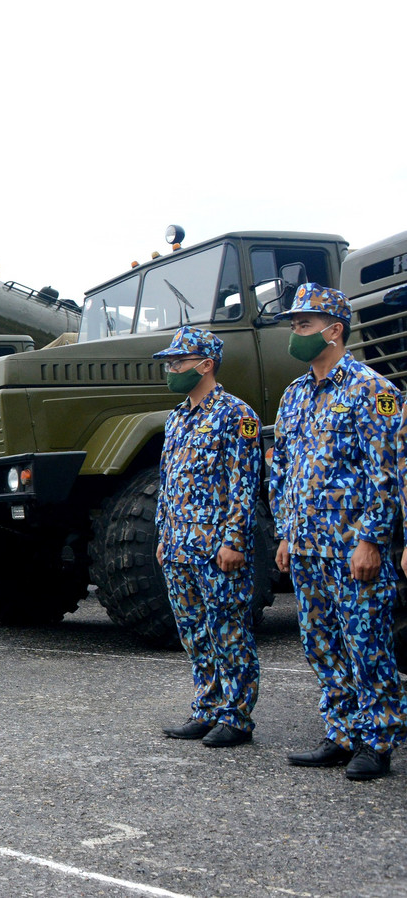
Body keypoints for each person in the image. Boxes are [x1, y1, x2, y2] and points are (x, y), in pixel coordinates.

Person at [270, 285, 405, 780]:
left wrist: (372, 538)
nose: (295, 333)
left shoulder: (374, 391)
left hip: (353, 547)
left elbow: (388, 471)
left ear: (335, 329)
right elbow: (281, 469)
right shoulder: (295, 394)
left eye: (304, 325)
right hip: (307, 547)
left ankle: (378, 739)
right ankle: (343, 731)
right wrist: (286, 533)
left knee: (367, 645)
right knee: (321, 644)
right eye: (294, 325)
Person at [150, 328, 260, 744]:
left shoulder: (237, 415)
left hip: (216, 548)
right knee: (194, 632)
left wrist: (234, 540)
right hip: (180, 544)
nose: (171, 369)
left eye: (179, 362)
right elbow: (169, 480)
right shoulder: (178, 417)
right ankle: (208, 707)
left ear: (206, 364)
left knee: (228, 630)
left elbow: (243, 484)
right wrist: (164, 533)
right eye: (169, 363)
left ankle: (235, 716)